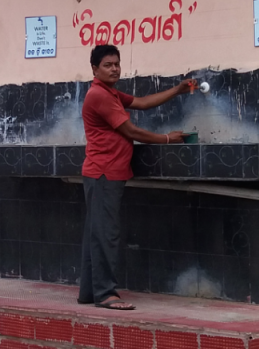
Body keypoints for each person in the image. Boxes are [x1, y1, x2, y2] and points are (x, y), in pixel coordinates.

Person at [79, 44, 196, 310]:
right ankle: (106, 293)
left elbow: (142, 103)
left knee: (96, 233)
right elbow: (131, 131)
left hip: (106, 173)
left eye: (117, 64)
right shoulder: (99, 95)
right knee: (105, 234)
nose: (115, 69)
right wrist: (167, 139)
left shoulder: (110, 93)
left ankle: (90, 292)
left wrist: (177, 90)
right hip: (103, 172)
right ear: (95, 69)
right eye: (108, 65)